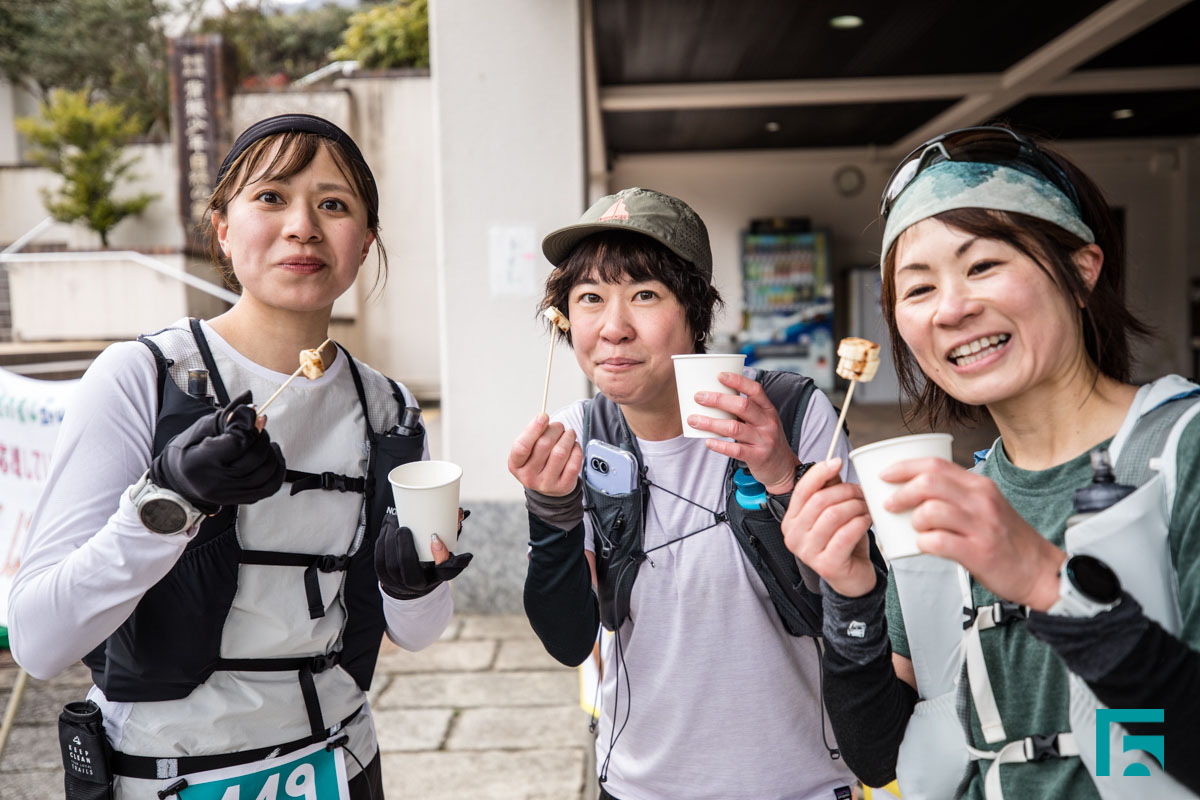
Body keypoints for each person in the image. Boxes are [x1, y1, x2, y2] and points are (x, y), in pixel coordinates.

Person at [8, 114, 471, 800]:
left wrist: (413, 587)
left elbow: (419, 633)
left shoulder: (389, 410)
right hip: (165, 773)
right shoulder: (145, 376)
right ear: (222, 228)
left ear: (365, 242)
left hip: (340, 766)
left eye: (334, 204)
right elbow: (38, 642)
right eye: (271, 197)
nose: (303, 227)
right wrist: (171, 500)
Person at [783, 126, 1200, 799]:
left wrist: (1049, 585)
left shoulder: (1184, 450)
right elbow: (879, 755)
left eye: (982, 266)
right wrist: (850, 594)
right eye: (918, 289)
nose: (952, 309)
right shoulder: (952, 501)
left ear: (1082, 270)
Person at [508, 187, 859, 800]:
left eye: (645, 295)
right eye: (589, 298)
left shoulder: (791, 413)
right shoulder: (577, 438)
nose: (613, 328)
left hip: (798, 782)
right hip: (640, 784)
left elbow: (849, 607)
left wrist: (783, 474)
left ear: (696, 311)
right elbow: (568, 639)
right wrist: (551, 513)